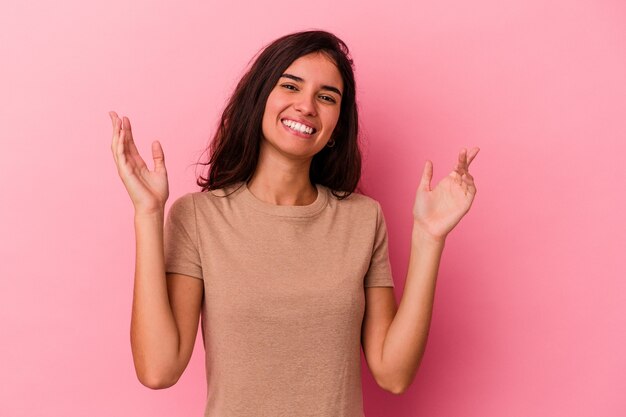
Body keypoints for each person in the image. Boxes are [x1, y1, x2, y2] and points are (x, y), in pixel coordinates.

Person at [110, 30, 479, 417]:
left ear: (337, 124)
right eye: (291, 86)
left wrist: (429, 237)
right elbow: (158, 369)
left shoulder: (363, 218)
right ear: (260, 98)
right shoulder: (199, 218)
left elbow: (394, 374)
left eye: (326, 97)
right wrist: (148, 214)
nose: (306, 106)